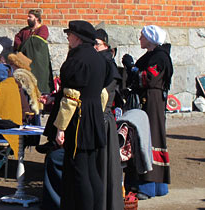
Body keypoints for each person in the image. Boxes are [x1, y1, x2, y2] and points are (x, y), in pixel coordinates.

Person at [53, 20, 112, 210]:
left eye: (69, 34)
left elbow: (71, 97)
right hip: (94, 116)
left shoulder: (77, 60)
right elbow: (103, 93)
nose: (68, 37)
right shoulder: (99, 59)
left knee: (80, 170)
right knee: (91, 169)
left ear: (77, 37)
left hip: (79, 119)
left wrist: (60, 127)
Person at [121, 25, 172, 200]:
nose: (140, 39)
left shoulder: (159, 57)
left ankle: (149, 186)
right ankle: (155, 186)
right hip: (148, 100)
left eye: (142, 36)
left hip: (152, 102)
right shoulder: (152, 56)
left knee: (149, 138)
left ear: (150, 39)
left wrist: (132, 68)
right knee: (147, 136)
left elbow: (148, 78)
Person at [94, 28, 124, 210]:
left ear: (106, 46)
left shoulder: (106, 63)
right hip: (103, 118)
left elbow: (103, 96)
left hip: (103, 119)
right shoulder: (101, 61)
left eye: (96, 44)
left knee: (106, 167)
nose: (94, 48)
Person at [14, 9, 54, 97]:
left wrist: (25, 44)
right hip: (26, 63)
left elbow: (36, 42)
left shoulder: (43, 29)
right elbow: (17, 39)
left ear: (36, 18)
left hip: (38, 63)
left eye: (30, 17)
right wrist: (24, 46)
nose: (27, 19)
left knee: (39, 86)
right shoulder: (24, 31)